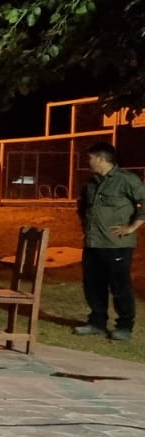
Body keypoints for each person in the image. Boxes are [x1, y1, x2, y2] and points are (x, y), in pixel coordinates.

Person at [75, 142, 145, 341]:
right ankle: (96, 323)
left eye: (90, 158)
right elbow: (82, 207)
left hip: (117, 245)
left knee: (120, 287)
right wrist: (86, 227)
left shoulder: (126, 180)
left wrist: (131, 227)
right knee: (93, 285)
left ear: (101, 158)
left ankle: (124, 327)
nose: (87, 161)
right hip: (93, 244)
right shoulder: (90, 183)